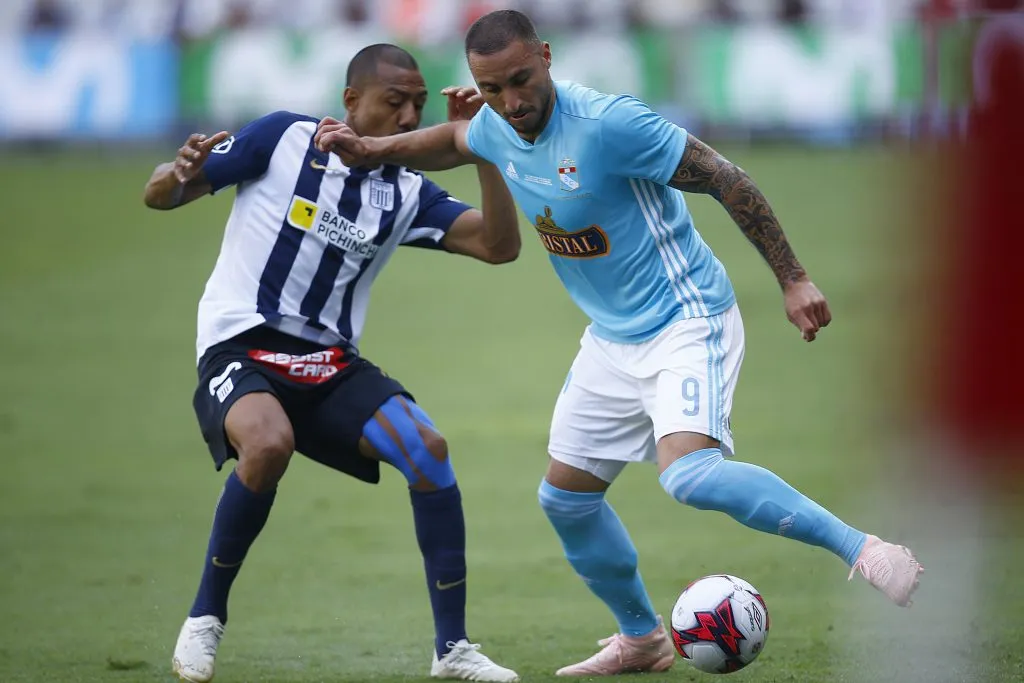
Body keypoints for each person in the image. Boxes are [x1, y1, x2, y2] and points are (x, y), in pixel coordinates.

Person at [314, 10, 925, 677]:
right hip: (611, 339)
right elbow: (457, 140)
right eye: (492, 89)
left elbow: (727, 176)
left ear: (545, 57)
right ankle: (642, 639)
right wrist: (370, 150)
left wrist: (794, 278)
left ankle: (864, 549)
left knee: (689, 474)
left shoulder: (609, 125)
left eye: (521, 80)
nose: (511, 102)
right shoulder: (498, 124)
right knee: (566, 499)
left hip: (684, 319)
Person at [143, 43, 521, 683]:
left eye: (418, 107)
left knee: (427, 450)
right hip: (242, 344)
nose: (408, 118)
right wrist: (176, 171)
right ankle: (205, 619)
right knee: (267, 444)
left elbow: (499, 246)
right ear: (351, 101)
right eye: (394, 102)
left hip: (327, 364)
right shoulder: (282, 138)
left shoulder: (406, 191)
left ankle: (452, 651)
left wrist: (485, 152)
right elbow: (162, 196)